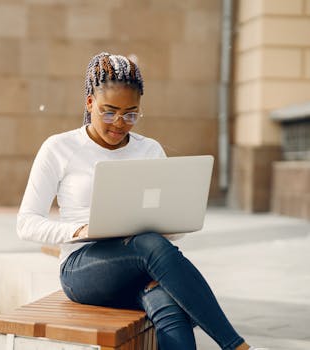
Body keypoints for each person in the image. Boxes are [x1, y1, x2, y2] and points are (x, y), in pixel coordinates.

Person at [17, 52, 266, 350]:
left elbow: (172, 234)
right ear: (89, 103)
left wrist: (169, 224)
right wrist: (79, 230)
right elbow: (26, 223)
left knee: (169, 305)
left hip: (144, 265)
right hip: (83, 268)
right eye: (109, 112)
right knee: (150, 246)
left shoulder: (149, 150)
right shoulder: (59, 147)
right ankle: (235, 345)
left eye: (131, 114)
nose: (119, 123)